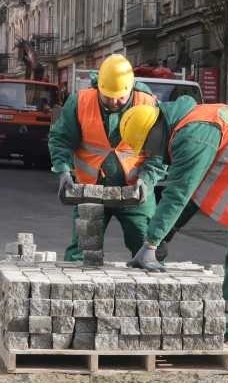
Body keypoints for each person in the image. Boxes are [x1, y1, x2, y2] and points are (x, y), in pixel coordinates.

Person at [119, 96, 228, 356]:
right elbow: (191, 195)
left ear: (154, 132)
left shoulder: (192, 136)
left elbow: (180, 193)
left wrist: (151, 242)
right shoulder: (186, 128)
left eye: (148, 147)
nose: (152, 154)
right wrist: (164, 236)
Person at [49, 54, 167, 261]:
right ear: (99, 87)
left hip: (135, 191)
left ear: (130, 88)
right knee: (83, 254)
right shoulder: (81, 101)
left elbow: (159, 154)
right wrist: (63, 170)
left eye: (120, 97)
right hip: (91, 191)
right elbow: (61, 139)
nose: (113, 102)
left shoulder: (148, 104)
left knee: (148, 251)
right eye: (107, 96)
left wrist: (146, 180)